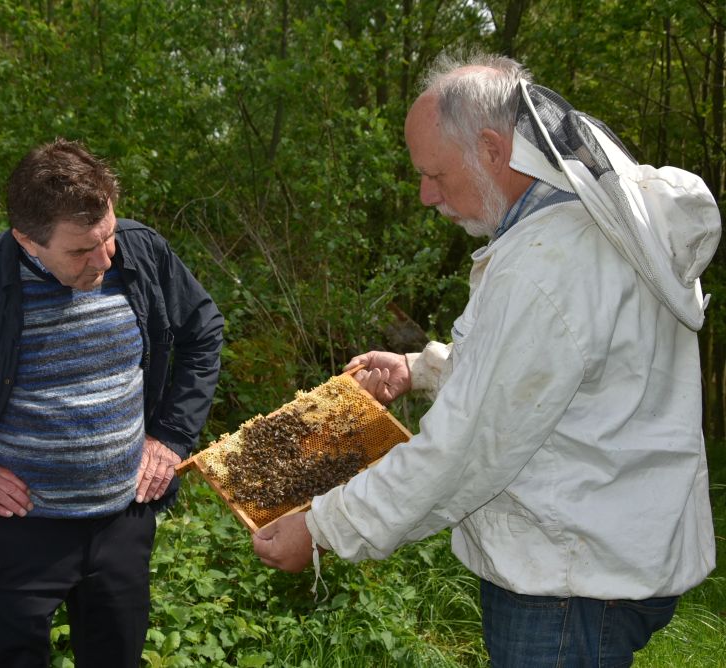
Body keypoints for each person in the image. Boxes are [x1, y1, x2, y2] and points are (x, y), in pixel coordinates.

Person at [253, 50, 720, 665]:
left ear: (494, 151)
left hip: (564, 590)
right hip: (597, 564)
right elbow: (541, 383)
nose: (425, 195)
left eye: (436, 174)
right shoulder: (580, 235)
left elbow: (467, 446)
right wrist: (418, 369)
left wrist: (323, 529)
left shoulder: (547, 267)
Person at [0, 137, 224, 667]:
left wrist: (172, 436)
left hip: (123, 523)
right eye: (80, 250)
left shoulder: (142, 251)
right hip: (18, 534)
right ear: (27, 239)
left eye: (107, 237)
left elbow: (204, 333)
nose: (104, 259)